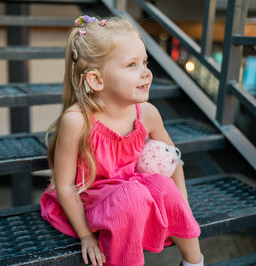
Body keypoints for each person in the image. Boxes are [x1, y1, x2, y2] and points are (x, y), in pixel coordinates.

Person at [40, 15, 203, 266]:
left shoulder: (147, 113)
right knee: (132, 196)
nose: (147, 73)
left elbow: (174, 161)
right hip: (92, 202)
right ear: (97, 80)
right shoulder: (77, 121)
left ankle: (194, 261)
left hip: (135, 193)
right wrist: (86, 236)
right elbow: (65, 186)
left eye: (145, 62)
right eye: (132, 65)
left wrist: (184, 207)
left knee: (163, 186)